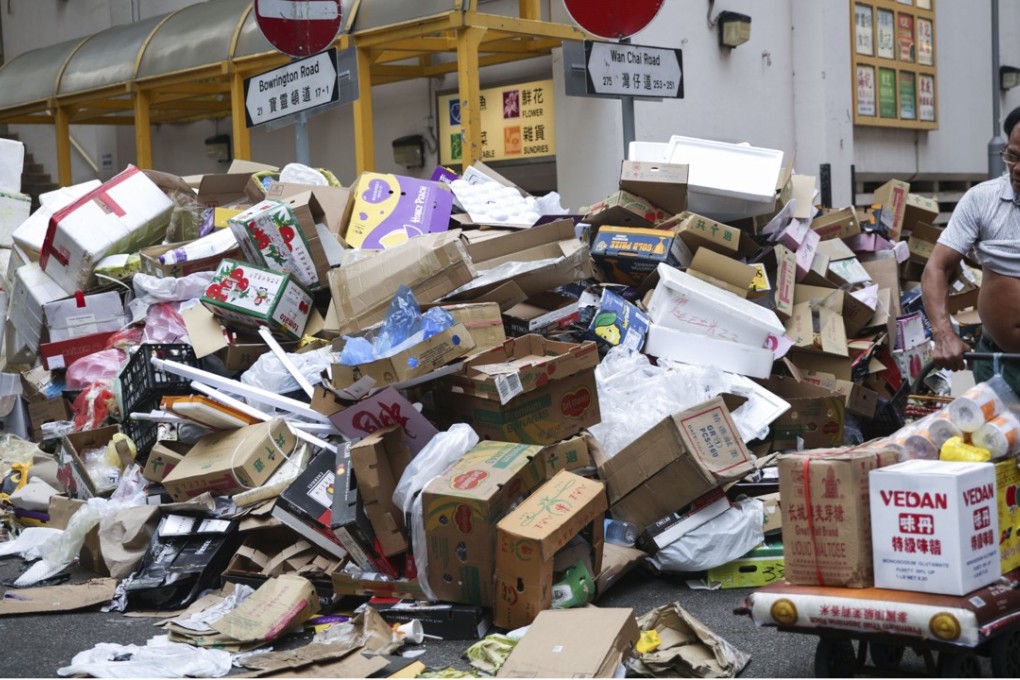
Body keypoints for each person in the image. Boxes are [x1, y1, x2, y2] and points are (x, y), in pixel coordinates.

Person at [921, 105, 1020, 392]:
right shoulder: (981, 200)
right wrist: (943, 334)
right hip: (996, 363)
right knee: (995, 437)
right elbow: (937, 268)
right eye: (1012, 156)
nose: (1017, 169)